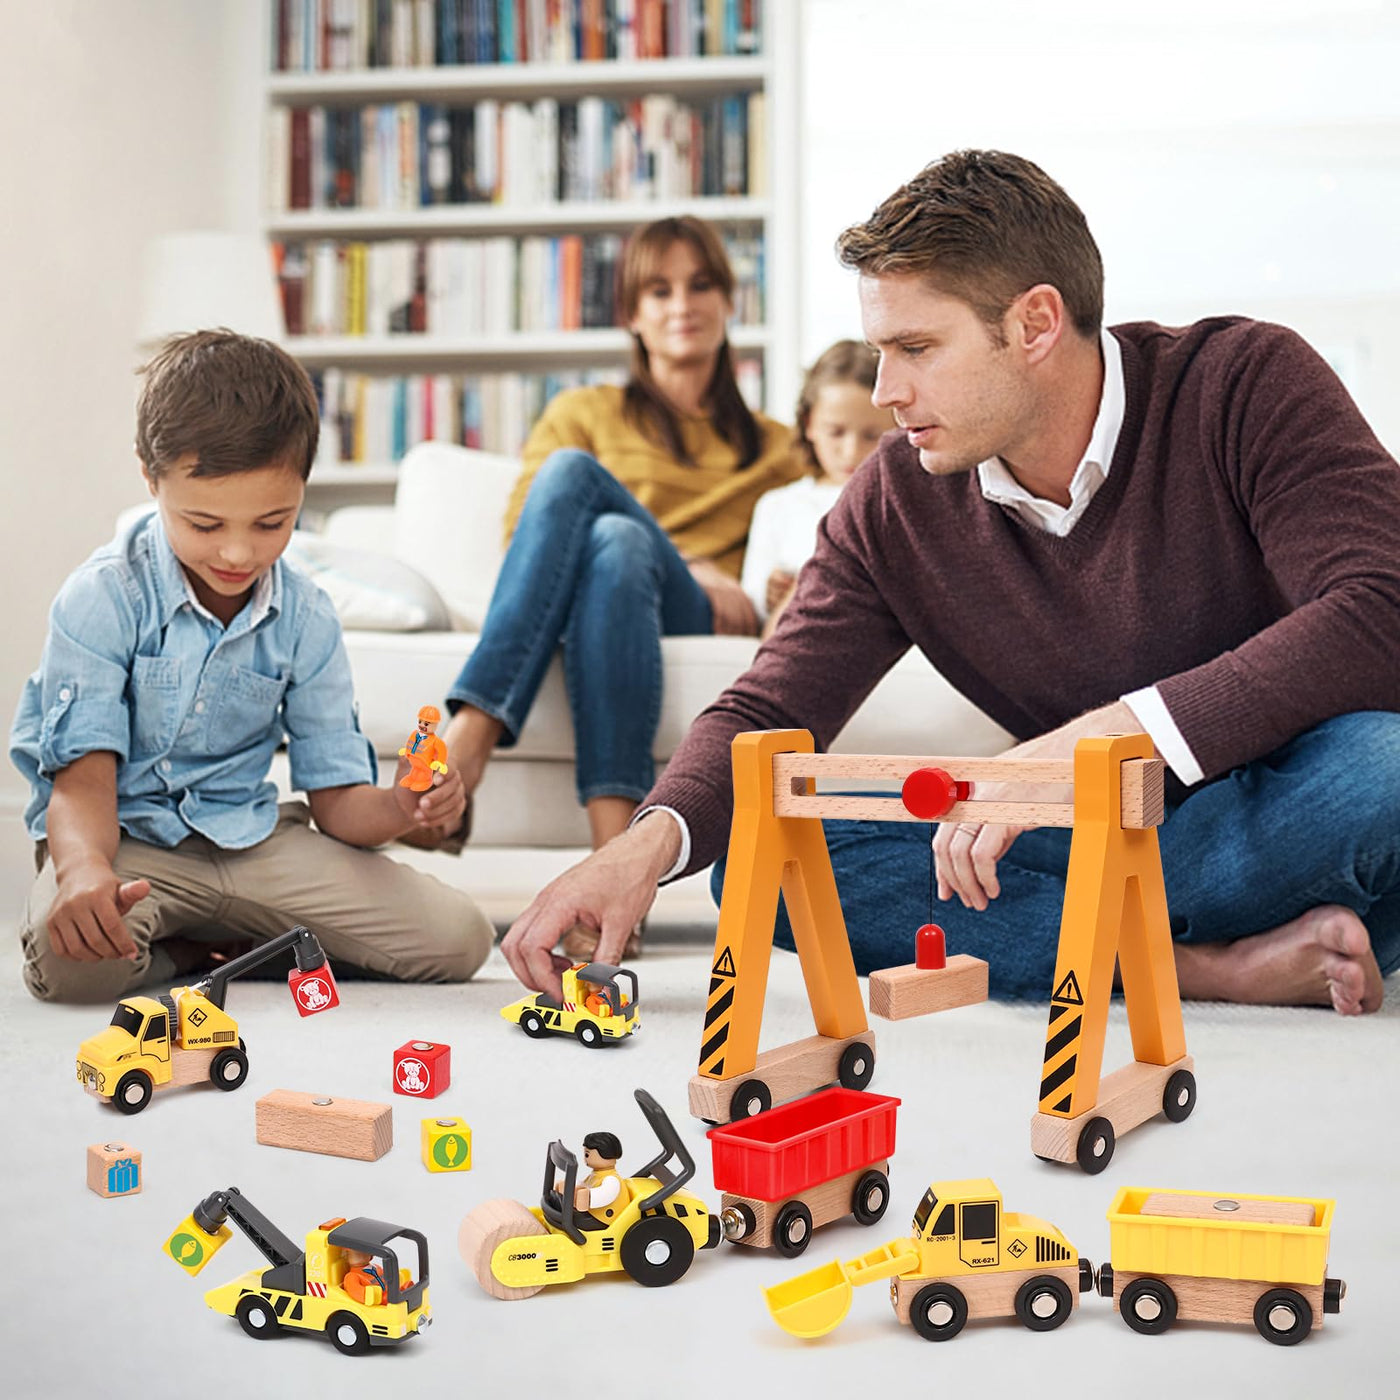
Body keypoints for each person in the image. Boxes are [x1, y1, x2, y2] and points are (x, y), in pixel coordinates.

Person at [497, 150, 1400, 1017]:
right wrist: (644, 847)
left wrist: (1104, 743)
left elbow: (1380, 609)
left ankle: (1132, 932)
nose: (885, 389)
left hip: (1282, 794)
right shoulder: (895, 498)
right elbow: (767, 707)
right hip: (1108, 843)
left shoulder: (1243, 384)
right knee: (764, 861)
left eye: (916, 347)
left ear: (1036, 324)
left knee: (1383, 769)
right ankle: (1202, 966)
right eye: (879, 350)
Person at [10, 330, 494, 1003]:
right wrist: (85, 870)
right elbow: (82, 780)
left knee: (459, 939)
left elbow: (339, 806)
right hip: (127, 842)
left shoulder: (307, 617)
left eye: (272, 523)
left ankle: (233, 944)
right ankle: (203, 953)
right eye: (205, 524)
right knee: (75, 968)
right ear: (150, 478)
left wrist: (403, 806)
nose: (238, 553)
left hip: (252, 843)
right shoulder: (101, 597)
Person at [424, 215, 803, 961]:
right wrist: (685, 557)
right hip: (615, 594)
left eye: (700, 286)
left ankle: (468, 739)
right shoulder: (582, 413)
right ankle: (613, 875)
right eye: (657, 290)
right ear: (631, 313)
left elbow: (805, 552)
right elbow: (525, 545)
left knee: (602, 513)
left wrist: (732, 583)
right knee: (614, 540)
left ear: (729, 302)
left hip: (695, 616)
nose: (681, 305)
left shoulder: (778, 447)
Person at [741, 340, 893, 635]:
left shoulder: (899, 502)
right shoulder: (778, 505)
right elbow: (753, 601)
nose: (851, 452)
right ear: (809, 423)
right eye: (836, 432)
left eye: (871, 435)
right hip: (795, 621)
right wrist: (768, 592)